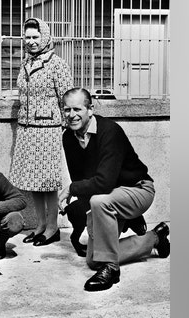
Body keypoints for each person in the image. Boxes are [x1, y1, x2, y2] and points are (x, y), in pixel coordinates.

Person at [58, 88, 170, 292]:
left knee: (100, 202)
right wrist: (89, 217)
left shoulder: (109, 131)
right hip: (108, 196)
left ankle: (111, 269)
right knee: (93, 259)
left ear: (90, 109)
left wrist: (71, 189)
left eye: (77, 109)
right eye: (66, 110)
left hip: (137, 189)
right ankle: (155, 237)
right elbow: (82, 180)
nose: (71, 115)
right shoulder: (68, 137)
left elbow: (103, 182)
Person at [9, 17, 73, 247]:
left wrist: (67, 127)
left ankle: (53, 227)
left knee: (48, 181)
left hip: (48, 130)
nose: (31, 41)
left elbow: (67, 99)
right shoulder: (26, 63)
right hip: (28, 130)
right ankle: (40, 226)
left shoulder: (57, 64)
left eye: (35, 37)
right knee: (34, 182)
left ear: (44, 37)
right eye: (27, 37)